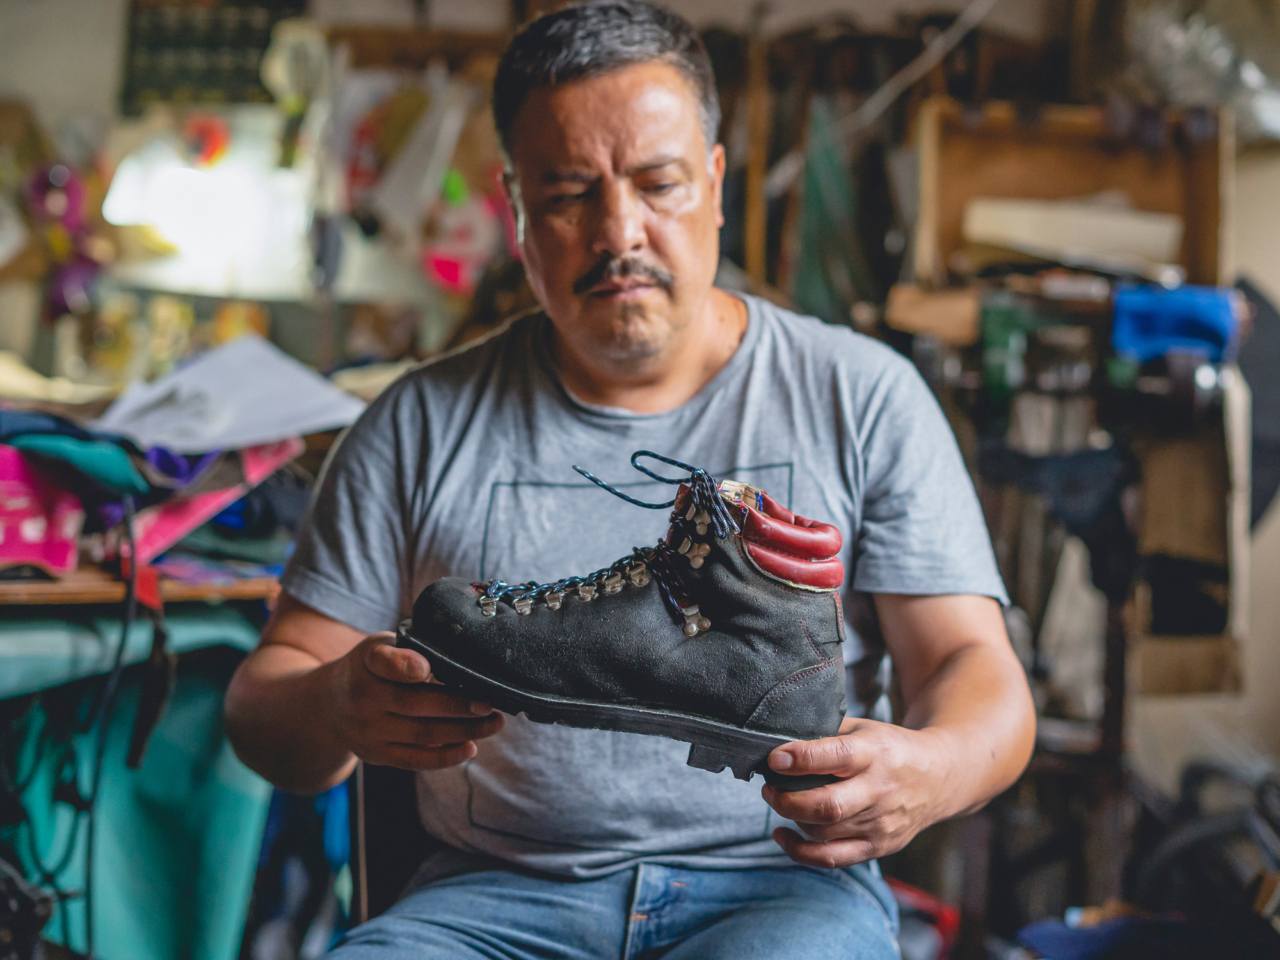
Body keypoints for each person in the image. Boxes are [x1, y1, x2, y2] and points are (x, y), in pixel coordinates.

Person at [224, 3, 1036, 957]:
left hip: (779, 890)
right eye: (568, 194)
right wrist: (332, 706)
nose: (621, 233)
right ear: (515, 209)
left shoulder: (861, 397)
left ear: (717, 183)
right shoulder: (416, 423)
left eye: (659, 184)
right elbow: (263, 701)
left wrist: (933, 767)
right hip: (492, 902)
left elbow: (975, 672)